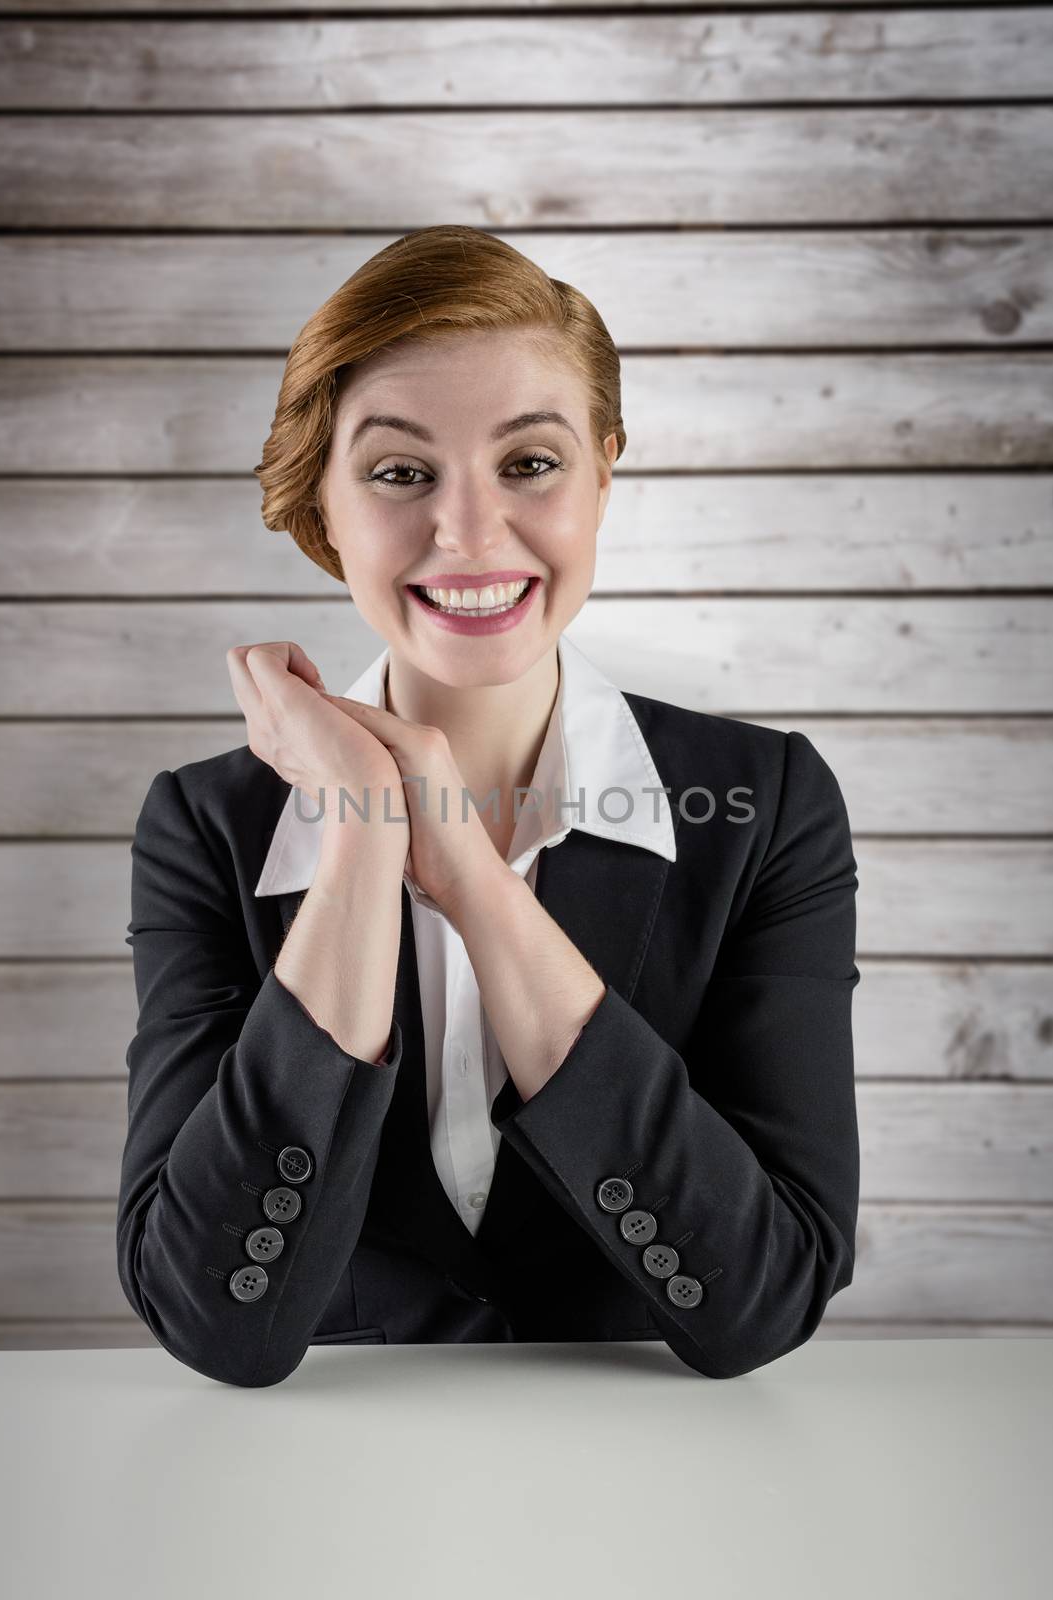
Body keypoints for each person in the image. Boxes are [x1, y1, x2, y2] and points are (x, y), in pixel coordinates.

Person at [117, 225, 861, 1388]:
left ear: (605, 471)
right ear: (325, 500)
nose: (467, 533)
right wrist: (365, 825)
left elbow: (763, 1296)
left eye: (529, 463)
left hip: (673, 1499)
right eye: (401, 472)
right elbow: (215, 1321)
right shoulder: (206, 830)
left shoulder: (764, 808)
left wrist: (469, 877)